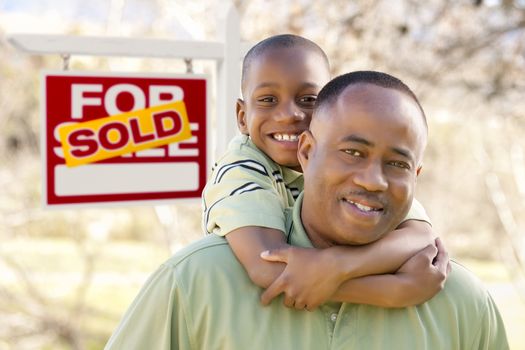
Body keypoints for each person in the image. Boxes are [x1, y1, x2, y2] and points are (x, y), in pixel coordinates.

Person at [105, 71, 509, 349]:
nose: (373, 180)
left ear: (416, 175)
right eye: (353, 152)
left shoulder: (459, 301)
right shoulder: (196, 283)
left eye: (397, 164)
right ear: (307, 151)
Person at [203, 34, 441, 309]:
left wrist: (337, 265)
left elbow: (420, 235)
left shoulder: (344, 163)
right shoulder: (240, 169)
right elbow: (269, 267)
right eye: (268, 99)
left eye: (308, 99)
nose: (289, 114)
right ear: (242, 117)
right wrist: (396, 291)